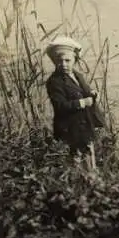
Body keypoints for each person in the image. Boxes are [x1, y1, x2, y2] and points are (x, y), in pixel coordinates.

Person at [44, 36, 105, 171]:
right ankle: (81, 182)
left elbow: (84, 91)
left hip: (85, 123)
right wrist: (82, 102)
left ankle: (91, 180)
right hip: (71, 127)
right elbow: (60, 106)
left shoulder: (77, 75)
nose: (64, 64)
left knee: (89, 154)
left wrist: (93, 94)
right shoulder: (54, 82)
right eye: (59, 61)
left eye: (68, 60)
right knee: (77, 158)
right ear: (54, 61)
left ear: (75, 60)